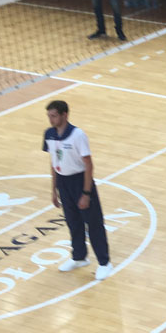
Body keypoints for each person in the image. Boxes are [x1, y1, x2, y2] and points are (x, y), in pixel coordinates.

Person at [44, 100, 112, 280]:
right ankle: (79, 257)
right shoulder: (49, 134)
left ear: (65, 115)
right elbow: (53, 162)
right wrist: (54, 190)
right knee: (73, 222)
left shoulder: (77, 135)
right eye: (49, 116)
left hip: (80, 181)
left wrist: (86, 193)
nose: (51, 120)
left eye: (54, 116)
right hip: (63, 182)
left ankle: (104, 262)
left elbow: (89, 165)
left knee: (94, 224)